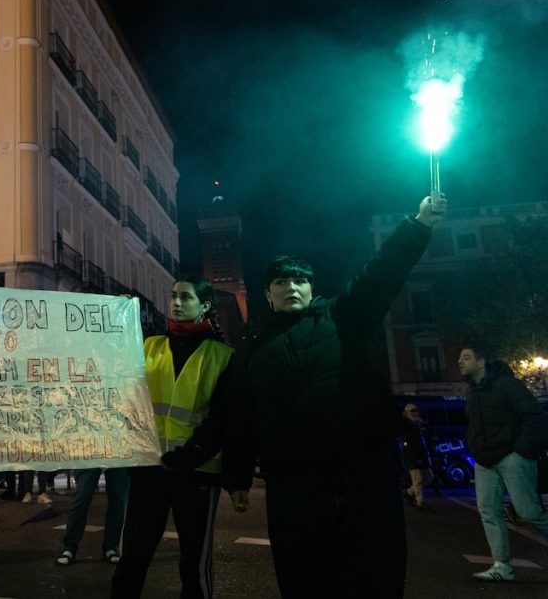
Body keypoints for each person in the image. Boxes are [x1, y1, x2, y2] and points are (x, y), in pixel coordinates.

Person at [225, 194, 447, 598]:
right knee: (305, 577)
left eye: (299, 280)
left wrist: (418, 225)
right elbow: (242, 414)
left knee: (373, 575)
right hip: (294, 484)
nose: (291, 287)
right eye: (281, 282)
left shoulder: (341, 315)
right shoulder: (251, 348)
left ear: (312, 288)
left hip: (364, 476)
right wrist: (237, 475)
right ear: (268, 294)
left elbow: (381, 275)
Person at [110, 274, 234, 599]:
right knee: (132, 558)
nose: (176, 303)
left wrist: (191, 454)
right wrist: (114, 322)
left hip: (197, 473)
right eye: (174, 296)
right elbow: (120, 382)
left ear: (204, 305)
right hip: (149, 470)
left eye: (186, 297)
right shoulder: (149, 347)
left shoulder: (222, 356)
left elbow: (223, 419)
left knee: (194, 565)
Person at [458, 343, 548, 582]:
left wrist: (521, 452)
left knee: (529, 513)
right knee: (488, 511)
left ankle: (502, 566)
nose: (460, 362)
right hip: (484, 461)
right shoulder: (471, 391)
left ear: (481, 362)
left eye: (466, 357)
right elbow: (473, 425)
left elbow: (534, 417)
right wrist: (473, 446)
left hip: (511, 457)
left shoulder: (507, 385)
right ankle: (502, 566)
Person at [56, 467, 129, 566]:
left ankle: (111, 546)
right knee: (82, 497)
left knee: (117, 500)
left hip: (117, 460)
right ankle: (70, 546)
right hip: (92, 459)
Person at [399, 404, 435, 510]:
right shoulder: (406, 426)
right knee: (418, 480)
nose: (415, 413)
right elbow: (407, 445)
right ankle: (420, 502)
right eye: (412, 411)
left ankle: (409, 492)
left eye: (415, 411)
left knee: (429, 477)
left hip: (421, 457)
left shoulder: (416, 424)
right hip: (412, 458)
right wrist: (415, 458)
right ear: (406, 413)